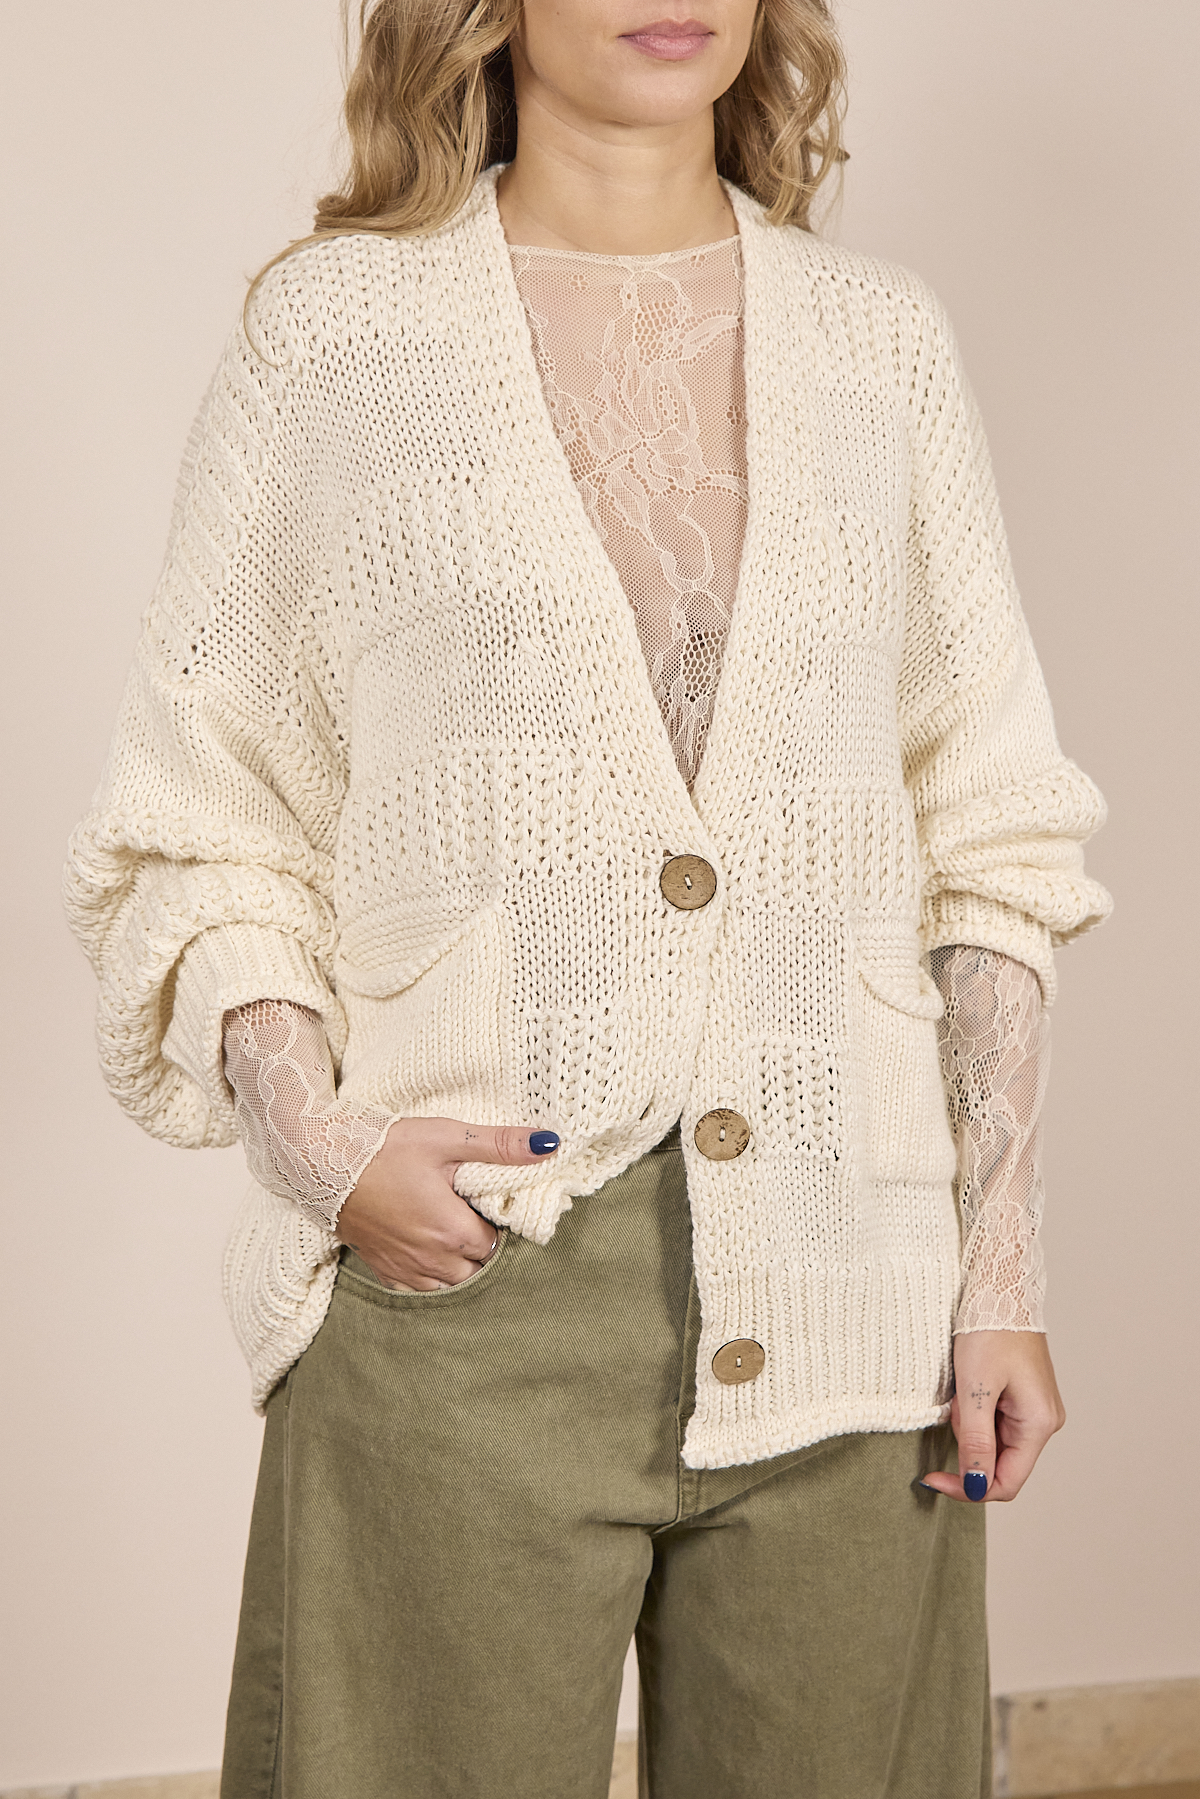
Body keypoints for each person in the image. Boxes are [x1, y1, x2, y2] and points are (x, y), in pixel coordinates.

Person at [64, 1, 1112, 1794]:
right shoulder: (337, 340)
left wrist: (995, 1268)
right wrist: (323, 1147)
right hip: (470, 1287)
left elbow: (990, 829)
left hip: (855, 1279)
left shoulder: (882, 345)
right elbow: (207, 815)